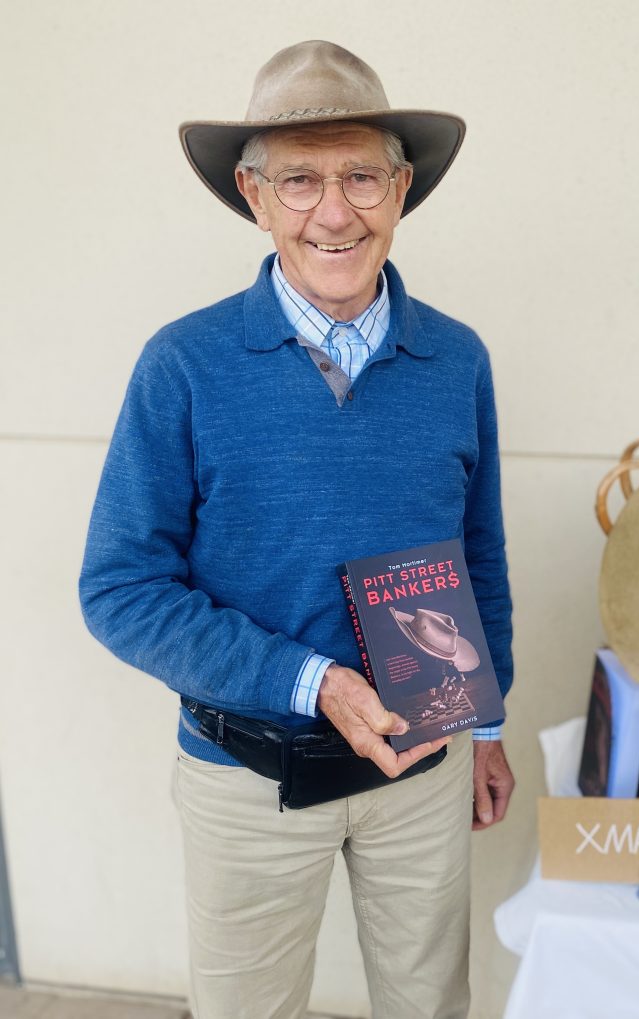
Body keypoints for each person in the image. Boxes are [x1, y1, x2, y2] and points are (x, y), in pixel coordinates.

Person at [79, 40, 513, 1019]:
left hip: (426, 770)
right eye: (302, 179)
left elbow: (477, 555)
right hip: (248, 775)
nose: (334, 209)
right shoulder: (184, 365)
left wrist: (488, 720)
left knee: (432, 1004)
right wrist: (308, 680)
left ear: (400, 190)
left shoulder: (456, 361)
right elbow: (119, 588)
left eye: (361, 175)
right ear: (253, 195)